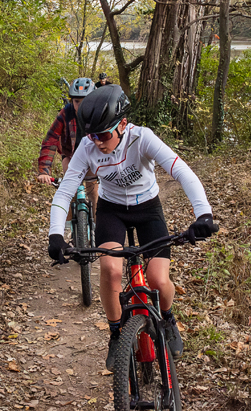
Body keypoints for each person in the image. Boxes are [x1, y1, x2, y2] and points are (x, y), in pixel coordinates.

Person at [46, 85, 217, 370]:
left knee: (159, 281)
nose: (97, 142)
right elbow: (65, 191)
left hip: (148, 209)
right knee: (111, 270)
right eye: (92, 135)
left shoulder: (142, 138)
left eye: (103, 135)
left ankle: (169, 319)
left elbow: (181, 171)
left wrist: (204, 215)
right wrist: (55, 234)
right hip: (112, 212)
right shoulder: (88, 147)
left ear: (123, 124)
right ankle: (116, 334)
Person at [37, 77, 98, 210]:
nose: (81, 106)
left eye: (86, 101)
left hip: (93, 156)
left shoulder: (98, 114)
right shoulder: (66, 113)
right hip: (71, 155)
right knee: (69, 191)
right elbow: (50, 140)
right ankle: (69, 224)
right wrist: (44, 171)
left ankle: (97, 228)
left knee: (94, 193)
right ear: (71, 101)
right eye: (77, 102)